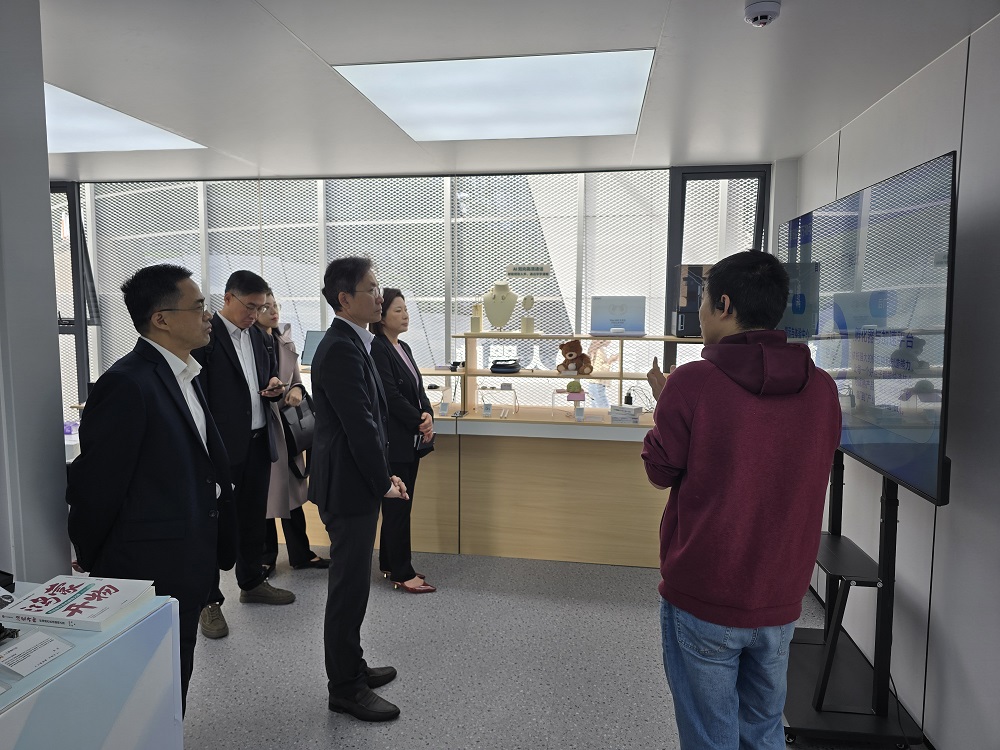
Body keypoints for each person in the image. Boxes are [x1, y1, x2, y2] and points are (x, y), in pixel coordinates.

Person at [641, 251, 842, 750]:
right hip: (782, 594)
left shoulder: (692, 383)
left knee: (709, 735)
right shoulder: (822, 389)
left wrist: (666, 404)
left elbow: (659, 471)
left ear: (724, 305)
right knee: (764, 729)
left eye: (703, 303)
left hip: (705, 589)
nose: (700, 314)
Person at [66, 264, 235, 712]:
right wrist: (95, 556)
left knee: (174, 675)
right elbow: (97, 484)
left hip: (187, 557)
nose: (209, 316)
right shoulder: (127, 383)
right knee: (146, 690)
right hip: (146, 566)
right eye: (198, 307)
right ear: (161, 319)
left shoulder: (184, 373)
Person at [310, 257, 409, 722]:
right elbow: (360, 426)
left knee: (354, 587)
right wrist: (383, 481)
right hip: (348, 488)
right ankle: (345, 688)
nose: (379, 295)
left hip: (355, 482)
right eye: (371, 288)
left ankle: (353, 665)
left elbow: (372, 419)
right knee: (348, 590)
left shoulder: (357, 341)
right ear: (344, 299)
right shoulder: (340, 348)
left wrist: (383, 475)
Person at [193, 270, 295, 640]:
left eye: (261, 307)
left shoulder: (260, 337)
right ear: (228, 298)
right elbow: (197, 396)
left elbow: (268, 377)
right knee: (212, 524)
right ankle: (208, 600)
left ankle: (252, 582)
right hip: (220, 448)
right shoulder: (205, 338)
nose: (255, 314)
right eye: (250, 306)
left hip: (257, 441)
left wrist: (273, 387)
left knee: (253, 518)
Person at [255, 291, 329, 573]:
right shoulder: (248, 343)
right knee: (265, 495)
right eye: (266, 307)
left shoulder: (284, 341)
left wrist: (296, 390)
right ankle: (265, 557)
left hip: (287, 428)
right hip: (263, 427)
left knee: (293, 495)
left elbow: (297, 381)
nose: (274, 311)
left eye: (275, 305)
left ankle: (300, 554)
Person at [370, 289, 436, 593]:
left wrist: (427, 414)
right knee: (397, 507)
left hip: (409, 438)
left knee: (401, 507)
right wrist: (417, 419)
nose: (405, 315)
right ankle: (401, 571)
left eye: (406, 309)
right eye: (398, 310)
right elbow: (390, 396)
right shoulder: (378, 348)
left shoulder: (403, 346)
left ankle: (389, 562)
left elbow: (418, 389)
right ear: (382, 317)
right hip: (394, 441)